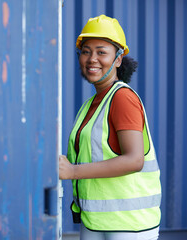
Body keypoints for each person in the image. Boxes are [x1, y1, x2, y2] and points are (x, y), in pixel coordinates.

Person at [59, 15, 162, 240]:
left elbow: (134, 160)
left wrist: (72, 171)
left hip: (129, 227)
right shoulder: (90, 105)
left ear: (118, 59)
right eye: (86, 51)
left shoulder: (122, 98)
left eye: (101, 52)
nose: (92, 59)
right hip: (96, 222)